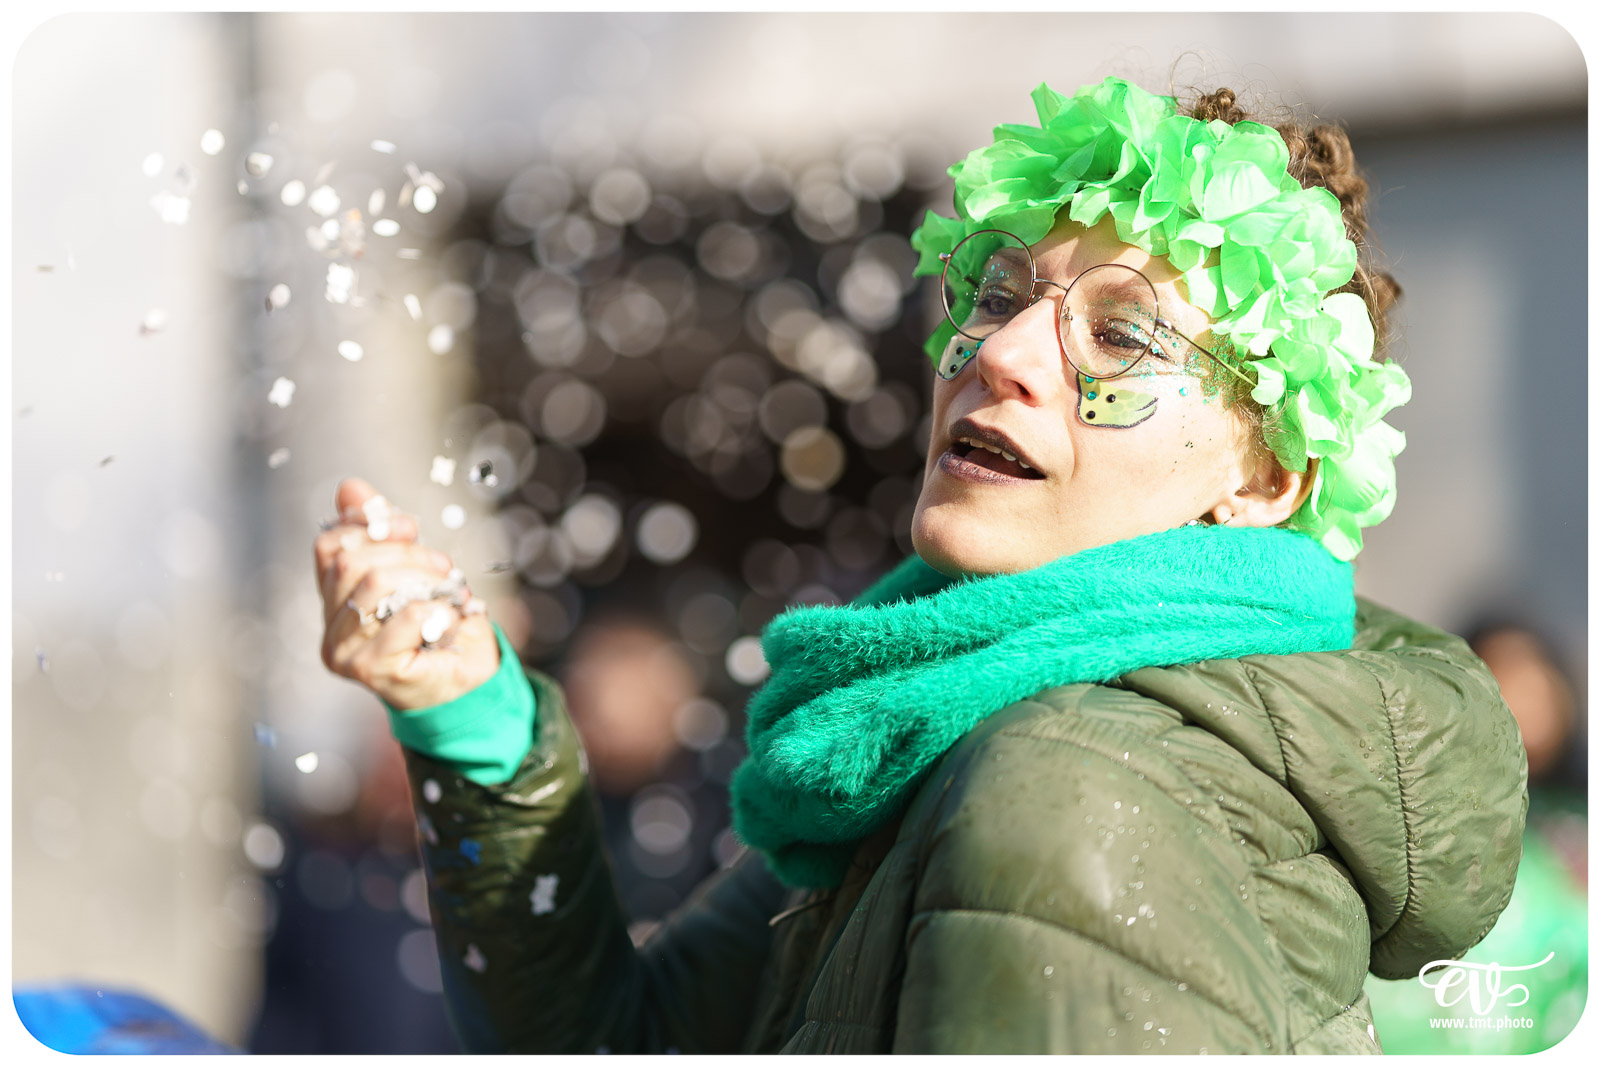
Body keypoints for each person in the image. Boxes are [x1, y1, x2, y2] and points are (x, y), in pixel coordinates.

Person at [312, 77, 1527, 1053]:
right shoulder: (942, 726)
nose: (999, 353)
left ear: (1262, 483)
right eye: (1000, 295)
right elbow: (625, 1042)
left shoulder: (1066, 787)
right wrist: (477, 723)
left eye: (1119, 335)